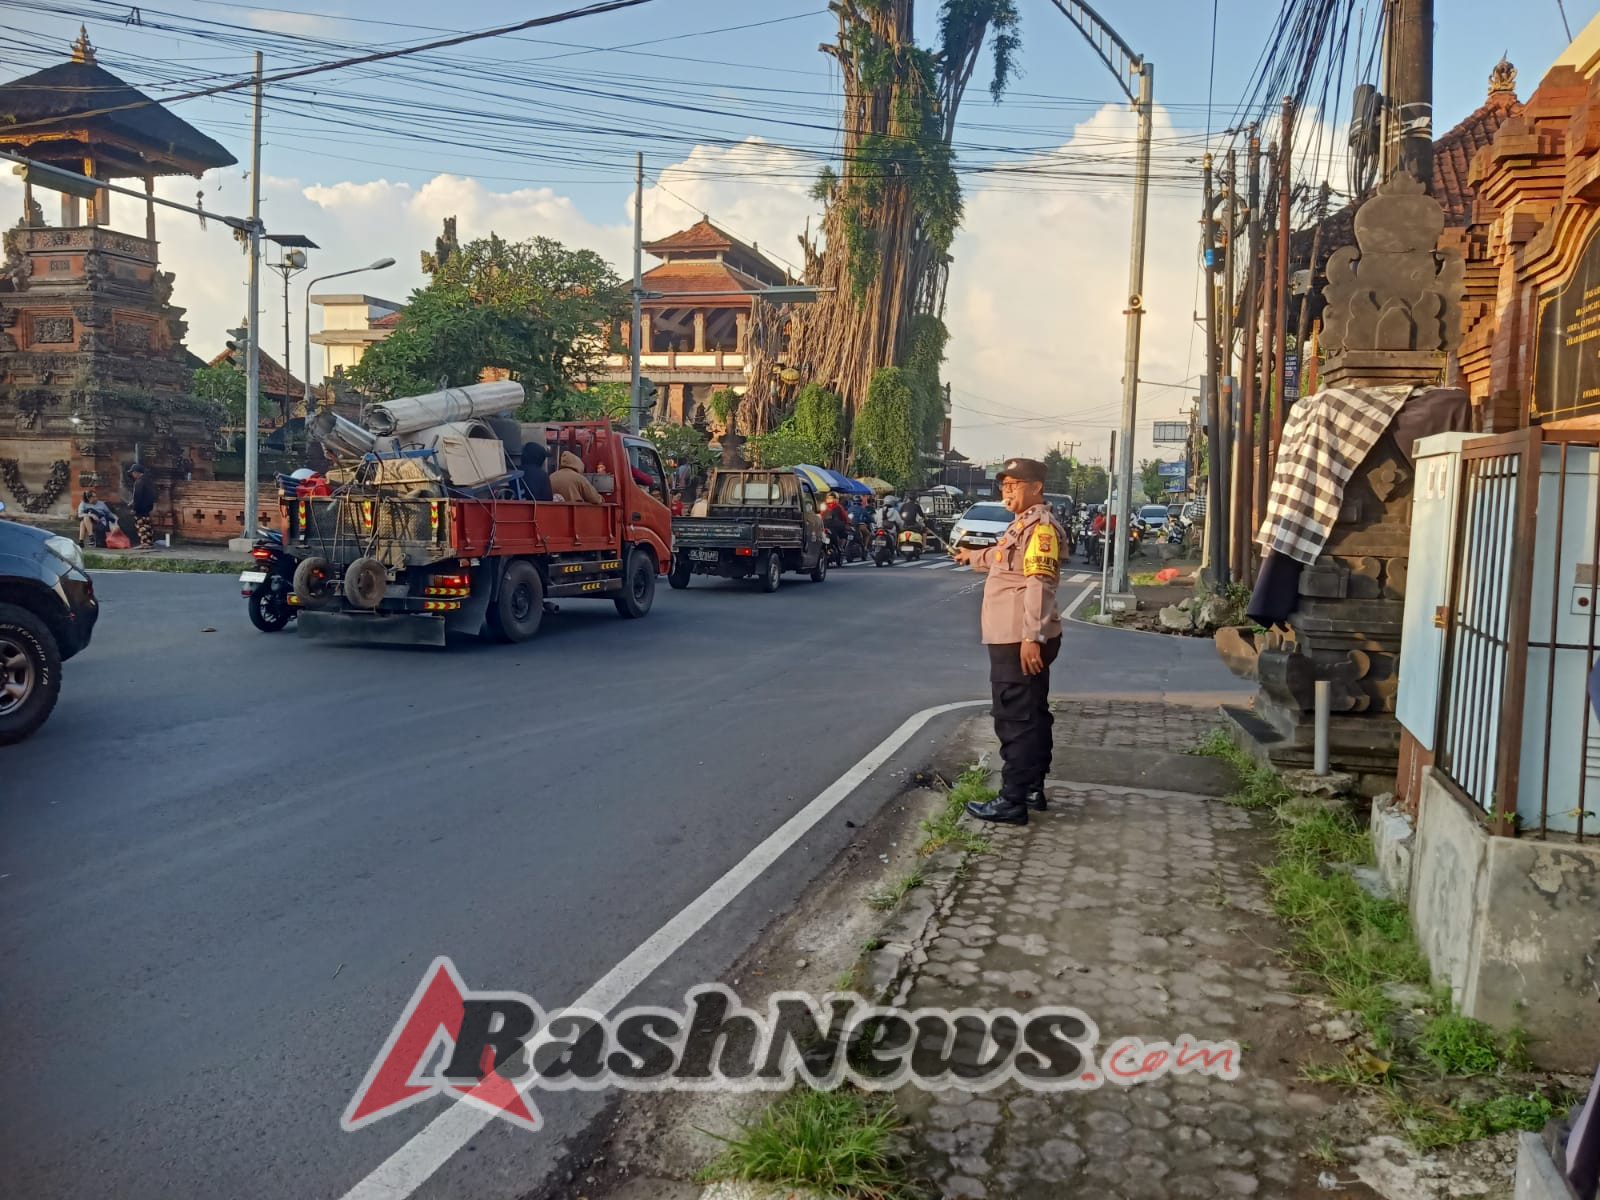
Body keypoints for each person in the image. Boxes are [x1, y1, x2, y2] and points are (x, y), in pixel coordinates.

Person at [951, 457, 1065, 825]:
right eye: (1004, 484)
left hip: (1019, 637)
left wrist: (1031, 636)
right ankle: (1031, 787)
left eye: (1015, 484)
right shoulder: (1023, 525)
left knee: (1015, 718)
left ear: (1036, 487)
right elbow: (1005, 560)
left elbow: (1039, 584)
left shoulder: (1041, 530)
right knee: (1032, 713)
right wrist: (972, 556)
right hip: (1017, 636)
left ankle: (1012, 799)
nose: (1007, 490)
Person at [128, 463, 158, 549]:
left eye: (133, 472)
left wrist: (134, 508)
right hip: (147, 506)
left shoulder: (139, 482)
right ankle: (149, 542)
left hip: (140, 507)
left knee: (141, 525)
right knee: (147, 524)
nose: (132, 474)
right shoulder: (148, 480)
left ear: (137, 472)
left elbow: (137, 496)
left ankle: (144, 543)